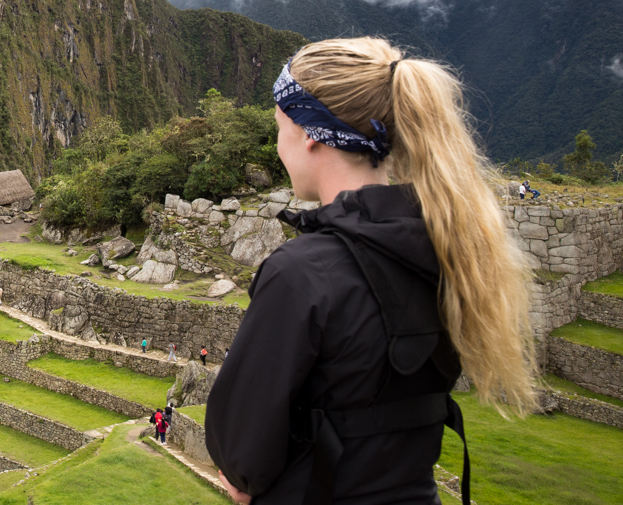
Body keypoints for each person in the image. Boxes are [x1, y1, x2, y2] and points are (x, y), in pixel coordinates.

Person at [206, 38, 537, 505]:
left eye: (279, 126)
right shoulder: (455, 252)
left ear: (310, 134)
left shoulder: (303, 272)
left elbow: (239, 456)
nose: (278, 144)